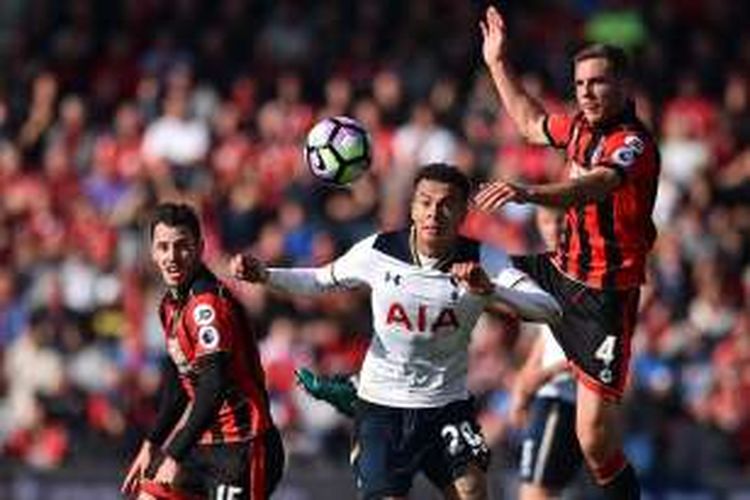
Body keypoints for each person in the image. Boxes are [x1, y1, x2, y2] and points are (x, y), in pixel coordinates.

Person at [231, 163, 562, 500]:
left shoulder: (484, 259)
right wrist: (265, 274)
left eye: (447, 204)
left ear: (463, 212)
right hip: (382, 407)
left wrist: (489, 288)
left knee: (473, 493)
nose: (435, 212)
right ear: (412, 207)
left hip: (446, 405)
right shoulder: (378, 251)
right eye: (425, 202)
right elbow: (320, 280)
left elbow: (549, 308)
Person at [477, 6, 661, 499]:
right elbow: (530, 121)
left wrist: (529, 192)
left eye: (598, 83)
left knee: (594, 441)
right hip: (559, 272)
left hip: (604, 297)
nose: (587, 92)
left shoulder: (633, 144)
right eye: (580, 84)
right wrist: (497, 63)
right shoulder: (578, 127)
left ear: (623, 85)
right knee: (461, 269)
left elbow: (593, 187)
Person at [121, 202, 284, 500]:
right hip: (204, 443)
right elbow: (180, 383)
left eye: (182, 246)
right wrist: (152, 443)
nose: (172, 257)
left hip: (243, 448)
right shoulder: (170, 306)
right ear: (152, 252)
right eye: (163, 247)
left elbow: (213, 384)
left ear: (200, 248)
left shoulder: (205, 306)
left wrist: (174, 454)